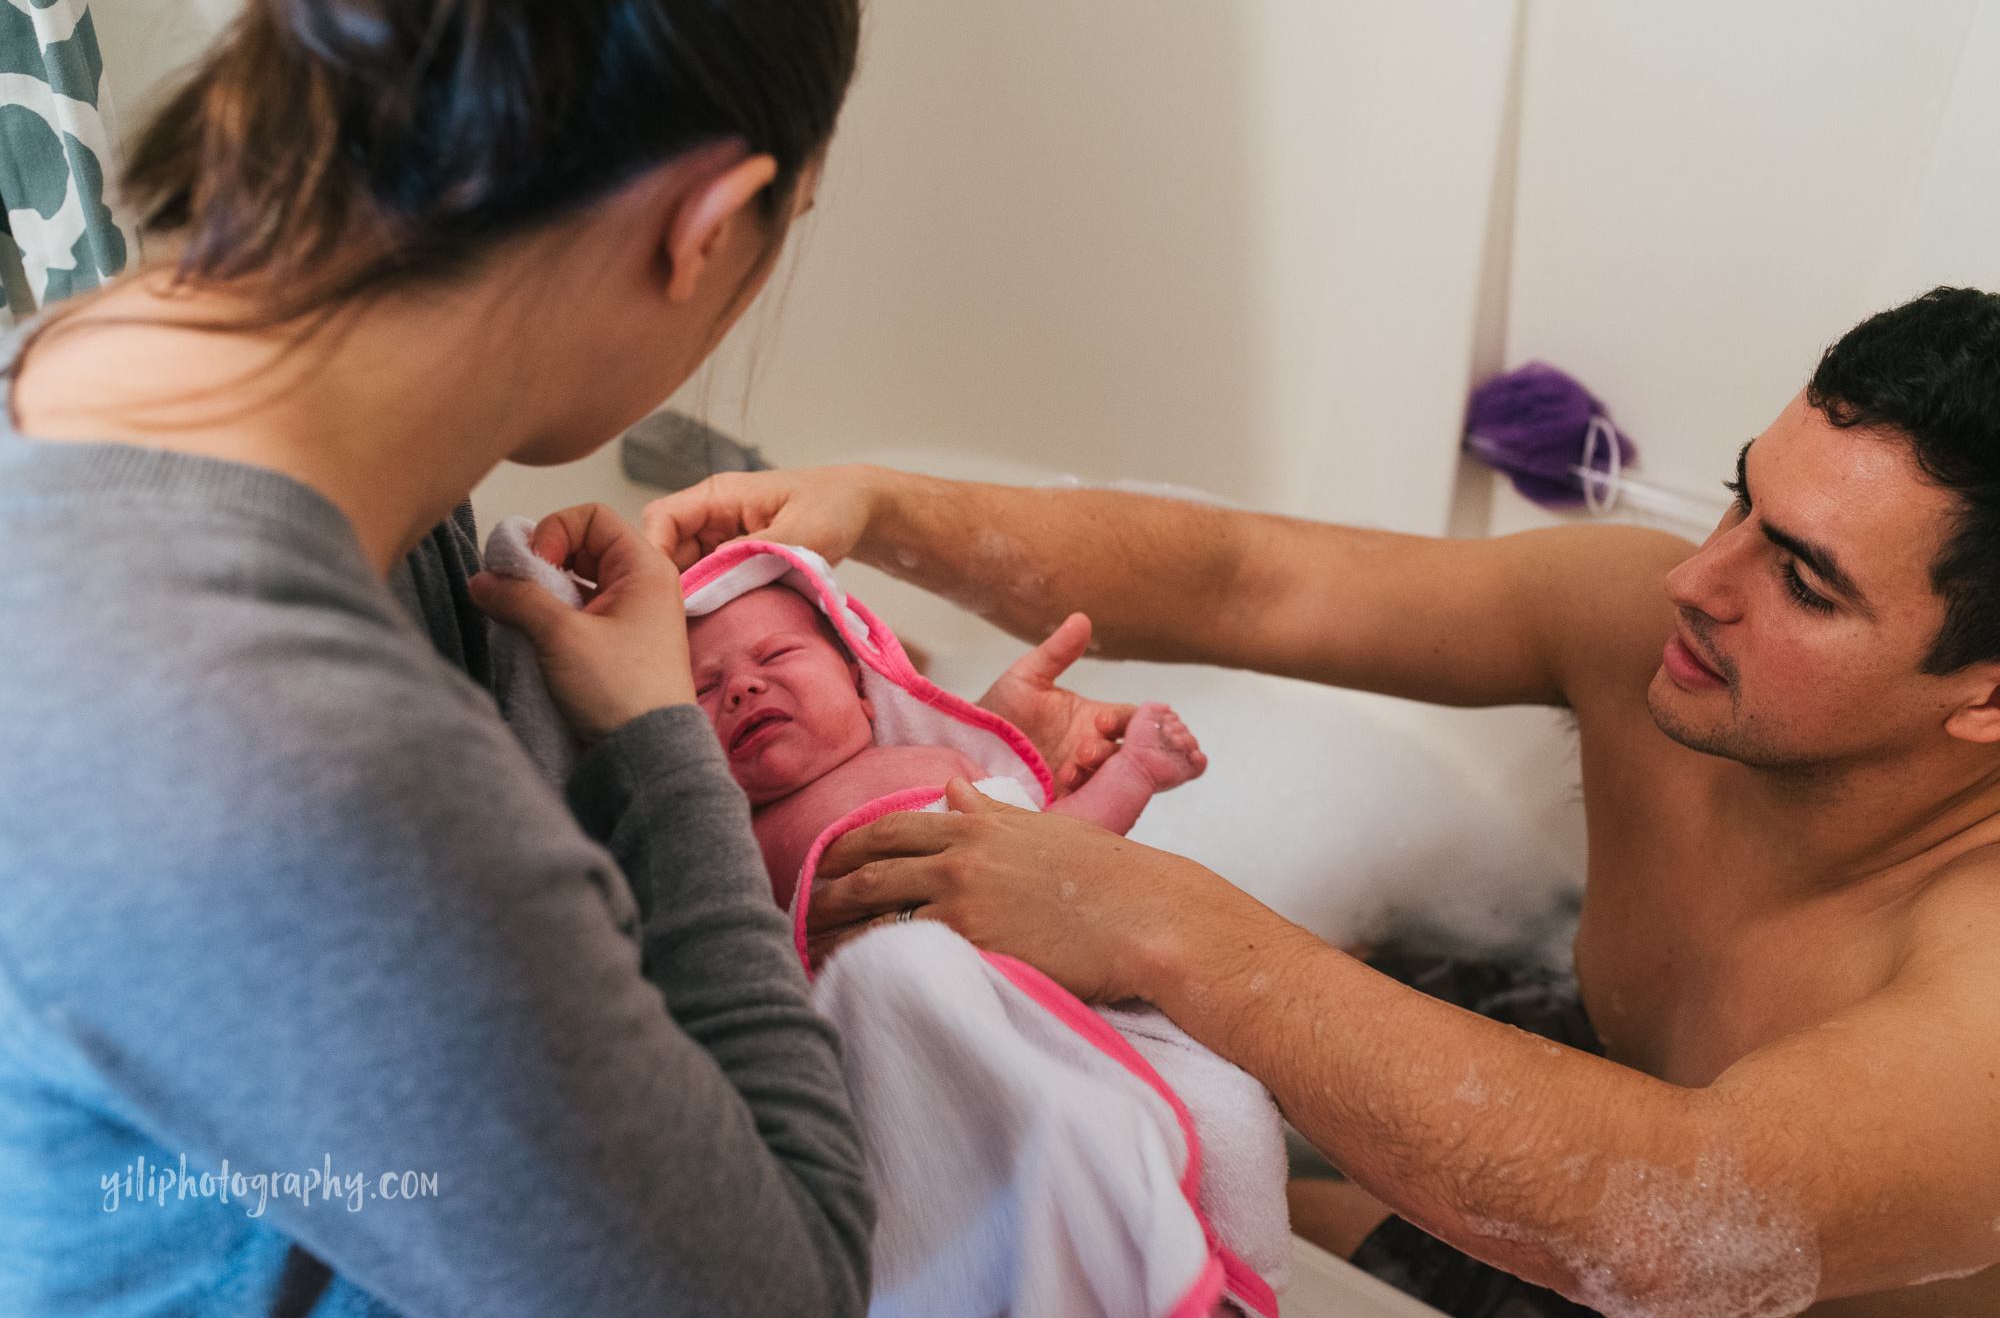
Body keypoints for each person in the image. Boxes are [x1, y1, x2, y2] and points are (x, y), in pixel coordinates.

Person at [646, 286, 2000, 1316]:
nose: (1697, 582)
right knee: (1156, 1172)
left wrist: (1159, 919)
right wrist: (876, 507)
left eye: (1806, 582)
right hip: (1590, 1072)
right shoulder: (1661, 637)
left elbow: (1685, 1217)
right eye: (1738, 501)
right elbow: (1253, 580)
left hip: (1704, 1257)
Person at [0, 0, 881, 1314]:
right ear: (703, 226)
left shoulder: (120, 393)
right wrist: (663, 742)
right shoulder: (286, 750)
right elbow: (785, 1283)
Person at [687, 585, 1207, 896]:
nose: (740, 688)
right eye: (704, 690)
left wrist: (1126, 773)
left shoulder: (934, 765)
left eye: (775, 655)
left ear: (861, 686)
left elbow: (1048, 865)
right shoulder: (718, 844)